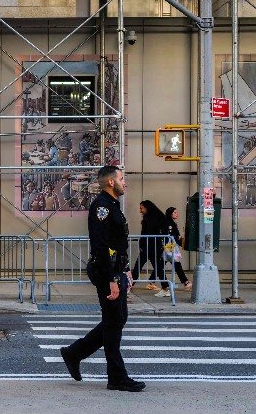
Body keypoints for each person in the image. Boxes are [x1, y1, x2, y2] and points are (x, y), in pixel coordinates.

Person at [59, 166, 145, 392]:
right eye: (121, 179)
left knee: (116, 320)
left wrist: (126, 270)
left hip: (115, 271)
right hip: (106, 272)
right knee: (114, 322)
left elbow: (118, 244)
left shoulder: (113, 205)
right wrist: (111, 280)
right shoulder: (102, 207)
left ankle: (74, 353)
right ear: (110, 183)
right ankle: (116, 377)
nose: (124, 183)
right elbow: (100, 246)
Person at [158, 206, 191, 295]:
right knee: (171, 264)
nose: (177, 214)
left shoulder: (169, 223)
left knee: (161, 266)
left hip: (167, 246)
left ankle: (165, 288)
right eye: (175, 212)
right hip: (169, 246)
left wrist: (177, 238)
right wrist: (177, 237)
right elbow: (172, 235)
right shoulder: (169, 223)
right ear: (170, 213)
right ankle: (185, 282)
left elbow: (172, 235)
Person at [132, 199, 165, 289]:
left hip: (149, 246)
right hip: (153, 246)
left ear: (147, 208)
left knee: (138, 267)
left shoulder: (150, 217)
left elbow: (147, 232)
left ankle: (129, 286)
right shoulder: (155, 216)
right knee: (158, 268)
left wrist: (142, 244)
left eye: (141, 208)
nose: (140, 211)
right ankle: (165, 288)